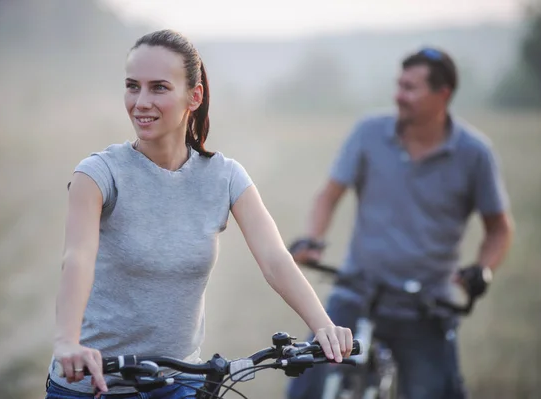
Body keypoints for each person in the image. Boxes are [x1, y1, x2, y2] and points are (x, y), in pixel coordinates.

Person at [45, 29, 353, 399]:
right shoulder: (97, 174)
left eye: (158, 87)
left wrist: (322, 326)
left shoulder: (225, 177)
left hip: (179, 384)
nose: (141, 101)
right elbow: (77, 258)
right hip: (91, 385)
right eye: (132, 86)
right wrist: (67, 342)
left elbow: (275, 260)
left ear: (195, 96)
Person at [286, 47, 514, 399]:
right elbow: (328, 195)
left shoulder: (474, 154)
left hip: (425, 308)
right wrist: (312, 238)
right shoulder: (368, 133)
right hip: (356, 292)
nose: (399, 95)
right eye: (399, 84)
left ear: (443, 94)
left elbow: (499, 227)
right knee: (305, 386)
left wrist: (482, 270)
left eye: (410, 88)